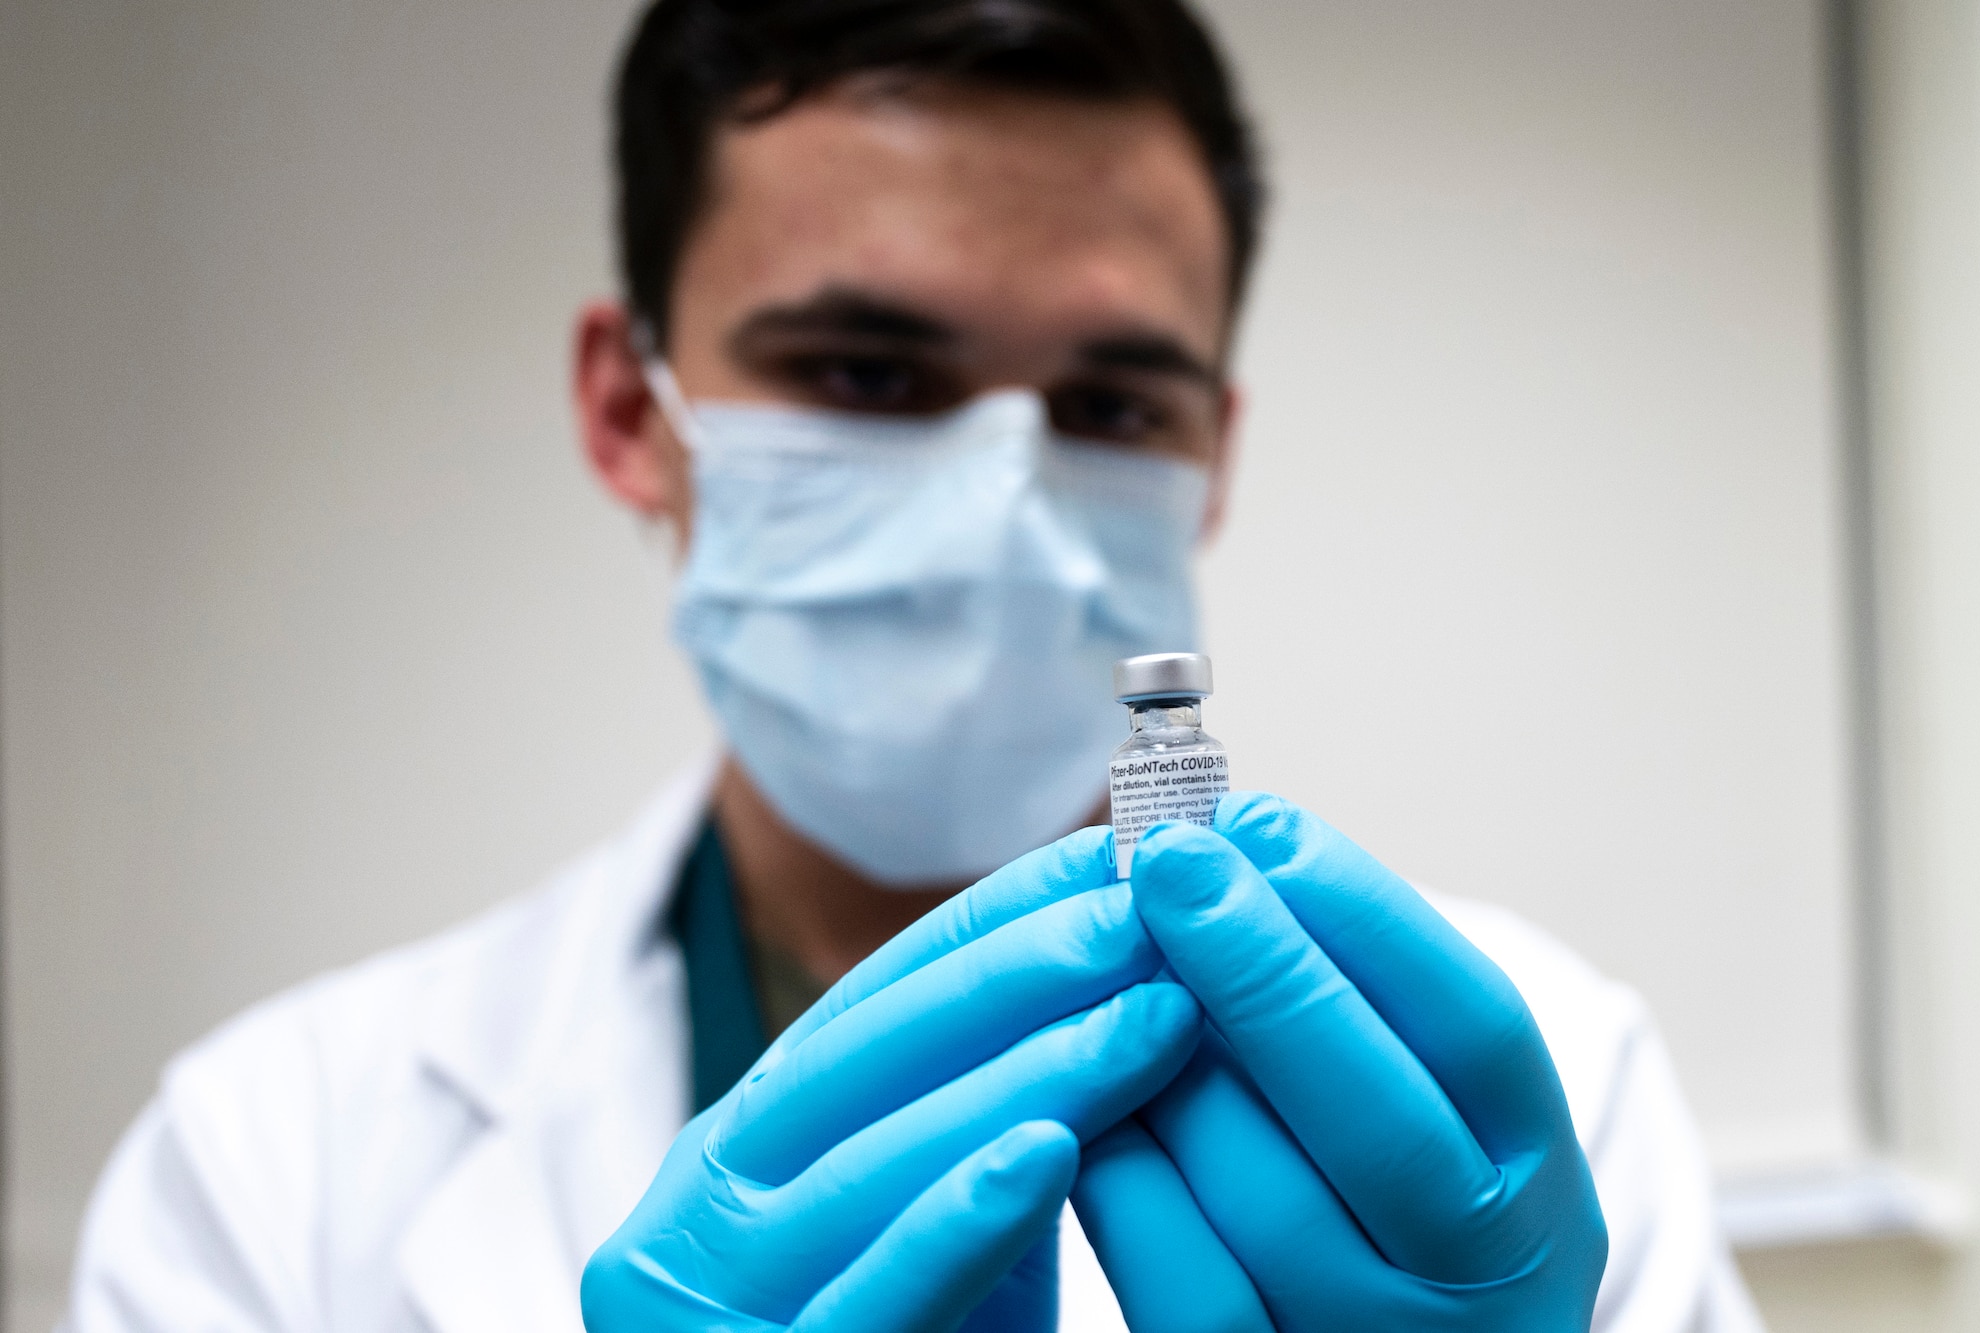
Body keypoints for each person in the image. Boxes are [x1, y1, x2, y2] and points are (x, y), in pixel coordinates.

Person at [65, 2, 1765, 1330]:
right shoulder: (274, 1164)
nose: (1005, 514)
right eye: (868, 375)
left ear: (1214, 457)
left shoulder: (1536, 1103)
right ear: (626, 413)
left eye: (1109, 406)